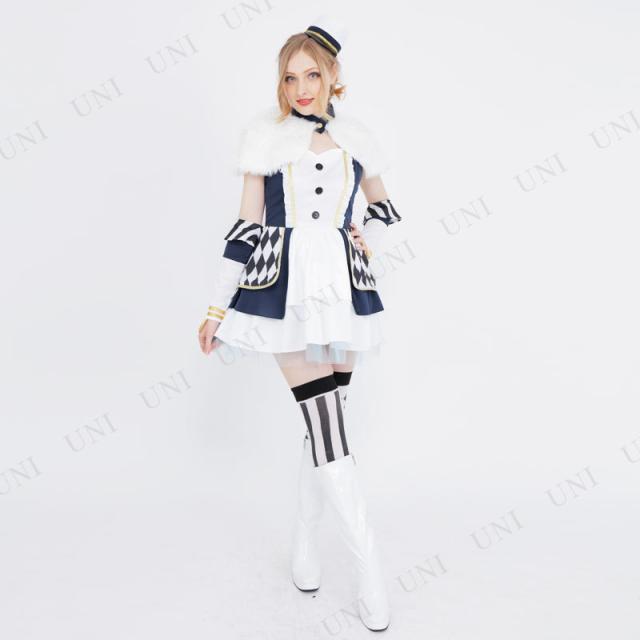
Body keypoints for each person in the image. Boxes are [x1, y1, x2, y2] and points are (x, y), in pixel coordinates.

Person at [197, 23, 402, 632]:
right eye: (290, 77)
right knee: (328, 427)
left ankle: (306, 543)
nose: (302, 87)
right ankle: (371, 571)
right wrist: (217, 308)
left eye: (312, 74)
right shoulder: (264, 139)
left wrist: (367, 234)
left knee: (325, 425)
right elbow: (245, 228)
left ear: (333, 76)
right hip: (284, 291)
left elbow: (385, 208)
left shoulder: (356, 138)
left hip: (343, 289)